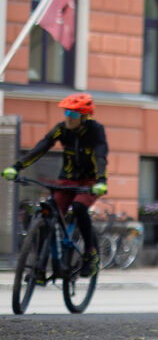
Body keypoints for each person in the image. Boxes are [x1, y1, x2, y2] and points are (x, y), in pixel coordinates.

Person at [4, 93, 109, 273]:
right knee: (47, 212)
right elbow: (42, 147)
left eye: (74, 114)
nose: (68, 117)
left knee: (78, 207)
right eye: (66, 113)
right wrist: (17, 166)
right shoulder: (62, 129)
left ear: (84, 117)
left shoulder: (95, 130)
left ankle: (90, 254)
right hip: (67, 179)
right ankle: (40, 264)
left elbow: (100, 156)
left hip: (90, 180)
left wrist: (100, 180)